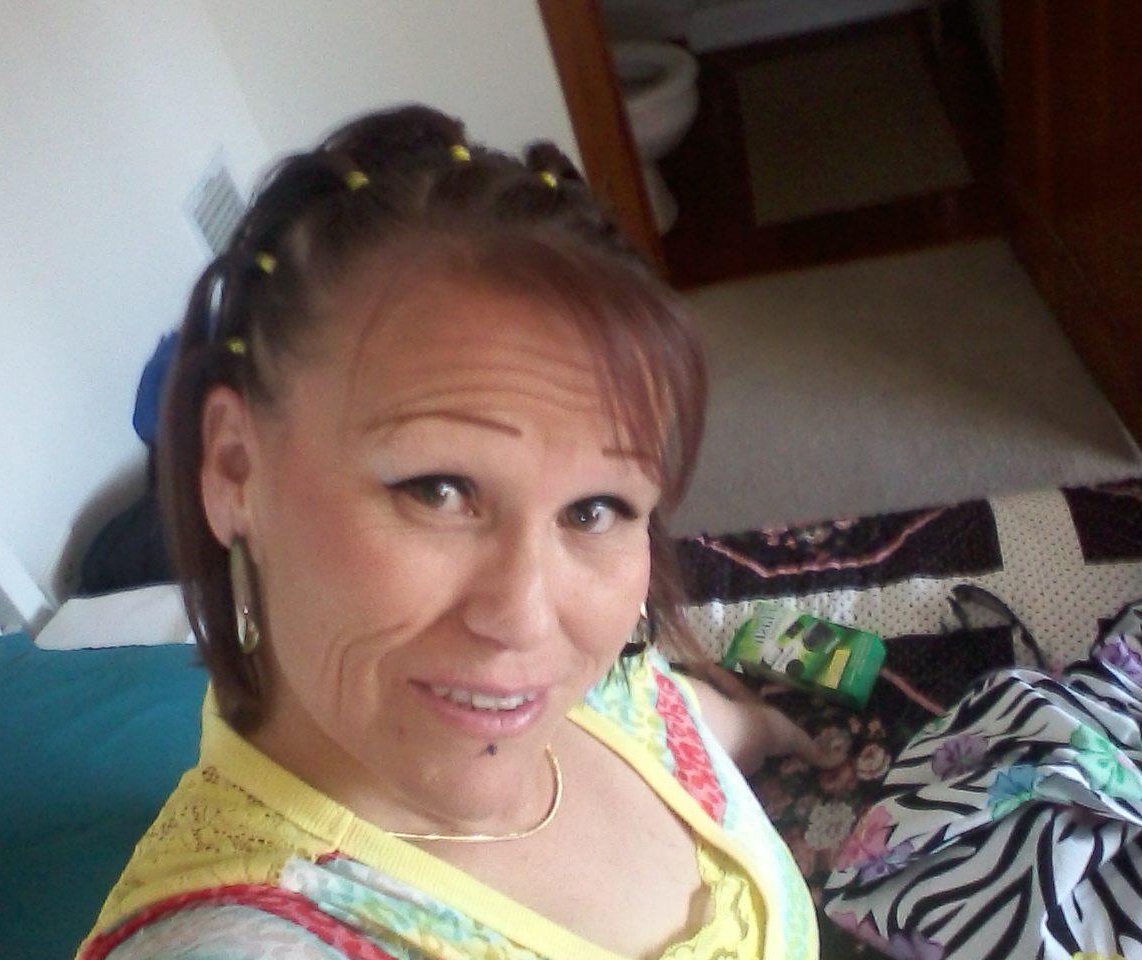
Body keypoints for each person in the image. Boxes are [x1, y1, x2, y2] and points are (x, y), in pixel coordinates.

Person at [77, 104, 833, 960]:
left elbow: (666, 715)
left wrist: (764, 728)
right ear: (234, 468)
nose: (527, 620)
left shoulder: (601, 683)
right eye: (437, 491)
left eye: (594, 510)